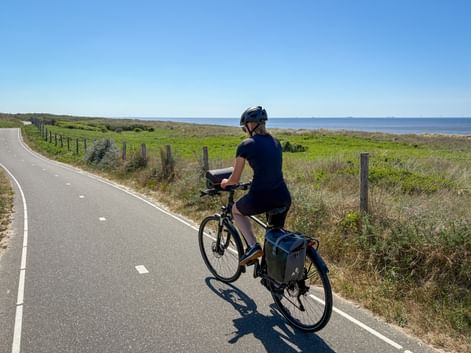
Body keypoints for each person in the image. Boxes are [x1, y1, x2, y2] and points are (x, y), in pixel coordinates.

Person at [221, 106, 291, 265]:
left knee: (236, 211)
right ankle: (275, 278)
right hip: (283, 197)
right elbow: (269, 169)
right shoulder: (276, 142)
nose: (244, 130)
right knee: (274, 237)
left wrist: (226, 182)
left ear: (250, 125)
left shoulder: (246, 145)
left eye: (244, 127)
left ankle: (252, 246)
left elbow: (235, 178)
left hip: (261, 197)